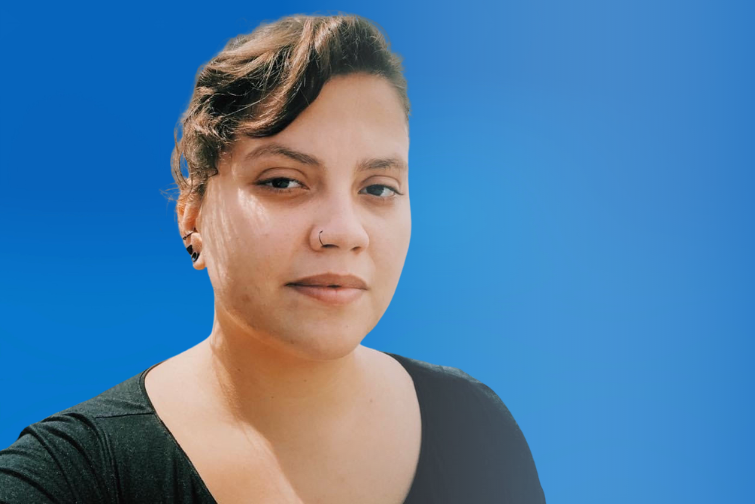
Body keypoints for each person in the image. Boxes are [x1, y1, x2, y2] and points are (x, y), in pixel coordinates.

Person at [0, 13, 546, 504]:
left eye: (378, 188)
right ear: (192, 217)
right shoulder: (70, 479)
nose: (345, 232)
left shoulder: (473, 429)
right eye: (283, 181)